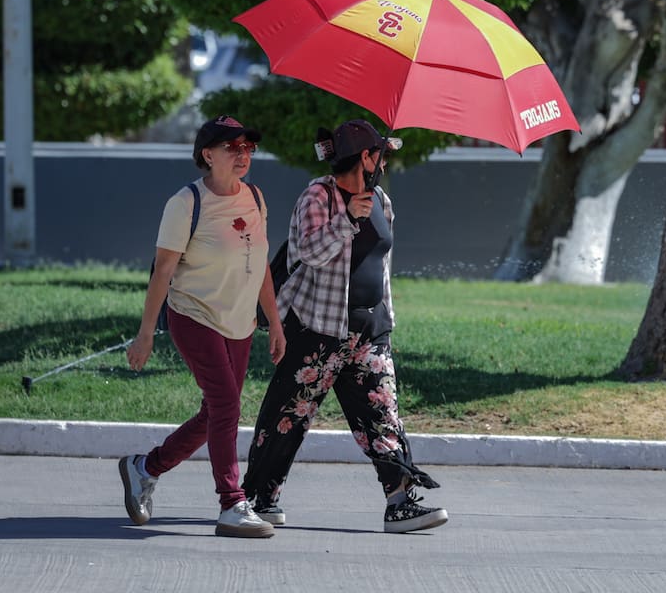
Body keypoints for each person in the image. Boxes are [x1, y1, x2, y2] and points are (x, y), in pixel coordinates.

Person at [242, 118, 448, 534]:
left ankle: (400, 502)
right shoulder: (318, 196)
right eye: (381, 156)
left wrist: (386, 317)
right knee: (288, 416)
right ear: (365, 157)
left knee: (382, 416)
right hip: (319, 330)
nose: (384, 164)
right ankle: (260, 499)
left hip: (369, 332)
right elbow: (310, 252)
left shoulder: (382, 201)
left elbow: (381, 264)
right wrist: (347, 220)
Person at [118, 115, 287, 539]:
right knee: (227, 406)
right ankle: (232, 503)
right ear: (207, 155)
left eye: (248, 148)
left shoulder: (256, 198)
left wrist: (275, 323)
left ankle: (145, 467)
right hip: (194, 317)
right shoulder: (186, 203)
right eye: (233, 148)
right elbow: (162, 271)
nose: (243, 155)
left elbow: (260, 265)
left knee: (215, 412)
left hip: (240, 322)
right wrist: (145, 334)